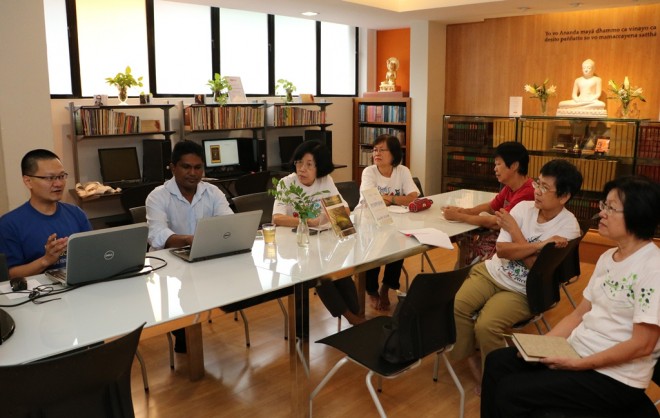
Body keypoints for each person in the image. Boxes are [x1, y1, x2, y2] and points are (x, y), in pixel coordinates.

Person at [481, 175, 660, 418]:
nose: (602, 214)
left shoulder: (653, 268)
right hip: (578, 352)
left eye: (611, 208)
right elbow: (579, 314)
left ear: (638, 216)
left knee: (511, 392)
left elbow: (643, 345)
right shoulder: (608, 258)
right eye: (603, 205)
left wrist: (579, 365)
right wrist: (540, 347)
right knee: (498, 362)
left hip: (614, 377)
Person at [448, 159, 583, 393]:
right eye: (537, 183)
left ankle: (496, 378)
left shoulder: (568, 228)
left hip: (524, 289)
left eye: (545, 188)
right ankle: (470, 357)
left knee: (487, 325)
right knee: (458, 305)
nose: (537, 192)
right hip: (493, 272)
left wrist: (515, 231)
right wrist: (541, 245)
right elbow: (503, 251)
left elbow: (536, 270)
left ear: (564, 197)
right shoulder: (522, 208)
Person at [146, 140, 233, 351]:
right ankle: (184, 329)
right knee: (186, 295)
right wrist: (187, 240)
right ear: (173, 167)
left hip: (203, 259)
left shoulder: (212, 192)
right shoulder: (158, 196)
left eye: (198, 167)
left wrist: (211, 238)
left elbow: (228, 223)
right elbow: (156, 234)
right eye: (186, 167)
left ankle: (193, 323)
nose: (193, 173)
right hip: (167, 265)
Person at [272, 141, 363, 325]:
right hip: (295, 249)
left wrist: (333, 212)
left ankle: (356, 313)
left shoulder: (325, 181)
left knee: (340, 271)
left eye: (308, 164)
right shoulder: (286, 183)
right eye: (299, 162)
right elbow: (277, 218)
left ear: (319, 167)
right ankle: (351, 317)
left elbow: (344, 208)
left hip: (323, 242)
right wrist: (306, 221)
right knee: (321, 274)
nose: (301, 169)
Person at [0, 149, 91, 279]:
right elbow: (10, 274)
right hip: (39, 294)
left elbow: (92, 254)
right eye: (49, 178)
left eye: (61, 176)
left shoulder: (76, 213)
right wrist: (46, 260)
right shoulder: (9, 224)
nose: (58, 183)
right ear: (28, 181)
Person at [443, 141, 534, 267]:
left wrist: (459, 217)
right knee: (467, 243)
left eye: (498, 164)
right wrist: (463, 211)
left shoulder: (527, 192)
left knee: (469, 247)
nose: (494, 168)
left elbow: (496, 222)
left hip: (514, 245)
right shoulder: (510, 187)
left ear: (514, 166)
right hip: (503, 237)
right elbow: (491, 207)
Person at [360, 134, 420, 310]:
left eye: (382, 150)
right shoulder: (369, 172)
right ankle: (371, 290)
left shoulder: (402, 171)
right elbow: (370, 200)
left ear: (393, 154)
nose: (376, 153)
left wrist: (387, 198)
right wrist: (396, 198)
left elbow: (413, 197)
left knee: (399, 244)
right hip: (368, 220)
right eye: (375, 149)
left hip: (396, 220)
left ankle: (387, 286)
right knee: (373, 248)